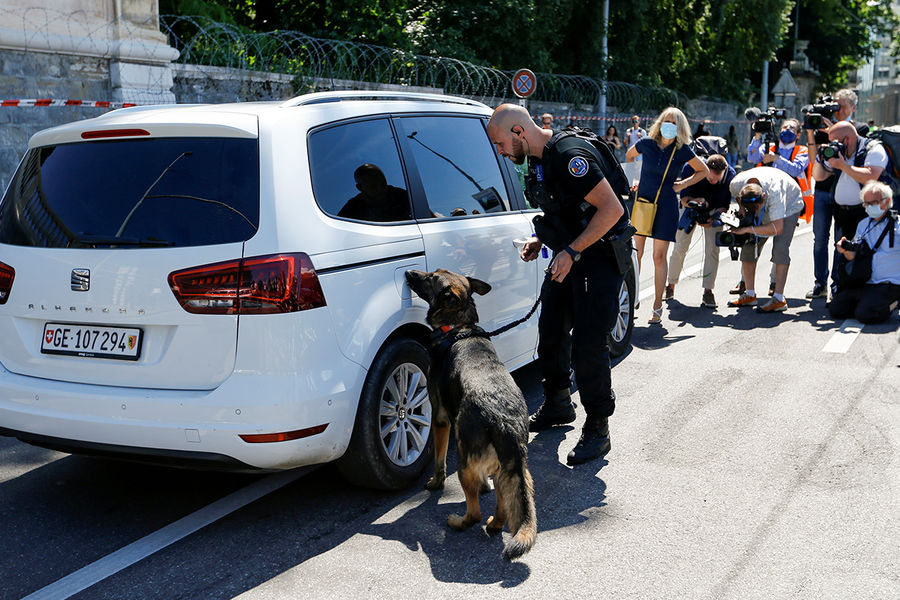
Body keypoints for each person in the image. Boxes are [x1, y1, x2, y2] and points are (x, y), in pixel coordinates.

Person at [487, 103, 627, 465]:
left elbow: (612, 211)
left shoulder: (568, 156)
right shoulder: (538, 158)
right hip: (570, 254)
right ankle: (558, 404)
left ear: (519, 132)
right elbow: (560, 208)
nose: (500, 152)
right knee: (550, 329)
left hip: (598, 257)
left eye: (501, 143)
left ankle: (598, 427)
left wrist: (571, 249)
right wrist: (542, 239)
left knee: (588, 343)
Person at [626, 107, 708, 323]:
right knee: (637, 253)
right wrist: (633, 179)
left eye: (673, 122)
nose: (668, 125)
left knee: (659, 256)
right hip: (643, 202)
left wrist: (683, 184)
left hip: (666, 206)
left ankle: (657, 306)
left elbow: (704, 170)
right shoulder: (647, 143)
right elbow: (629, 155)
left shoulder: (682, 150)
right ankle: (632, 299)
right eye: (666, 120)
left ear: (679, 127)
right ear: (660, 122)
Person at [731, 118, 811, 297]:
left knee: (780, 245)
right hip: (758, 194)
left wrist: (776, 159)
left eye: (791, 128)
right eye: (784, 127)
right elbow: (752, 156)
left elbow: (796, 169)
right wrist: (757, 136)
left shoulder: (801, 150)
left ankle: (775, 287)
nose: (787, 131)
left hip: (786, 200)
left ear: (798, 134)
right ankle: (746, 286)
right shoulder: (767, 148)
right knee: (750, 241)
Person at [811, 120, 887, 297]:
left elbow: (871, 176)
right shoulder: (840, 153)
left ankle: (865, 290)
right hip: (843, 212)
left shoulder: (872, 149)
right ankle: (840, 288)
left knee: (863, 252)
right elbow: (819, 177)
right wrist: (820, 159)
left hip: (865, 212)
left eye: (834, 142)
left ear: (847, 139)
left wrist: (843, 166)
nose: (832, 146)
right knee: (842, 249)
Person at [805, 88, 864, 300]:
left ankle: (838, 283)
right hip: (822, 190)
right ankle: (820, 284)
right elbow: (814, 162)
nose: (837, 110)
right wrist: (812, 134)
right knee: (819, 239)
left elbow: (855, 157)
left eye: (842, 106)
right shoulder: (822, 129)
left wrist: (836, 131)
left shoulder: (859, 129)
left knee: (841, 240)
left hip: (844, 194)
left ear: (853, 107)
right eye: (835, 106)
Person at [726, 166, 805, 313]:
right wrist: (743, 211)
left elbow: (777, 228)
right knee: (749, 245)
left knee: (780, 249)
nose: (755, 211)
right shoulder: (736, 184)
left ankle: (779, 299)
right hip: (757, 196)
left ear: (763, 198)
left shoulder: (775, 194)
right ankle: (749, 295)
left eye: (756, 208)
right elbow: (737, 197)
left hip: (790, 206)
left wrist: (747, 229)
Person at [665, 154, 735, 308]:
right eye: (710, 177)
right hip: (691, 206)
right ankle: (670, 285)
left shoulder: (730, 176)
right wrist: (696, 202)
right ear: (705, 169)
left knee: (713, 250)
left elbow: (725, 206)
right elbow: (683, 199)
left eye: (717, 178)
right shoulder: (691, 167)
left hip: (715, 210)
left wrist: (715, 219)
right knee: (679, 246)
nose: (714, 181)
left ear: (724, 171)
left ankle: (708, 291)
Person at [829, 181, 900, 323]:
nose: (868, 207)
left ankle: (895, 302)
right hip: (867, 281)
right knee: (836, 308)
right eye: (865, 204)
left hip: (890, 283)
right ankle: (869, 303)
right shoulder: (864, 225)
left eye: (872, 203)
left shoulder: (898, 226)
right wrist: (845, 250)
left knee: (865, 315)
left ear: (886, 202)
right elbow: (854, 256)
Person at [338, 163, 411, 222]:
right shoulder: (353, 207)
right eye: (373, 185)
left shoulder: (401, 196)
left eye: (383, 183)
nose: (380, 188)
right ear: (359, 187)